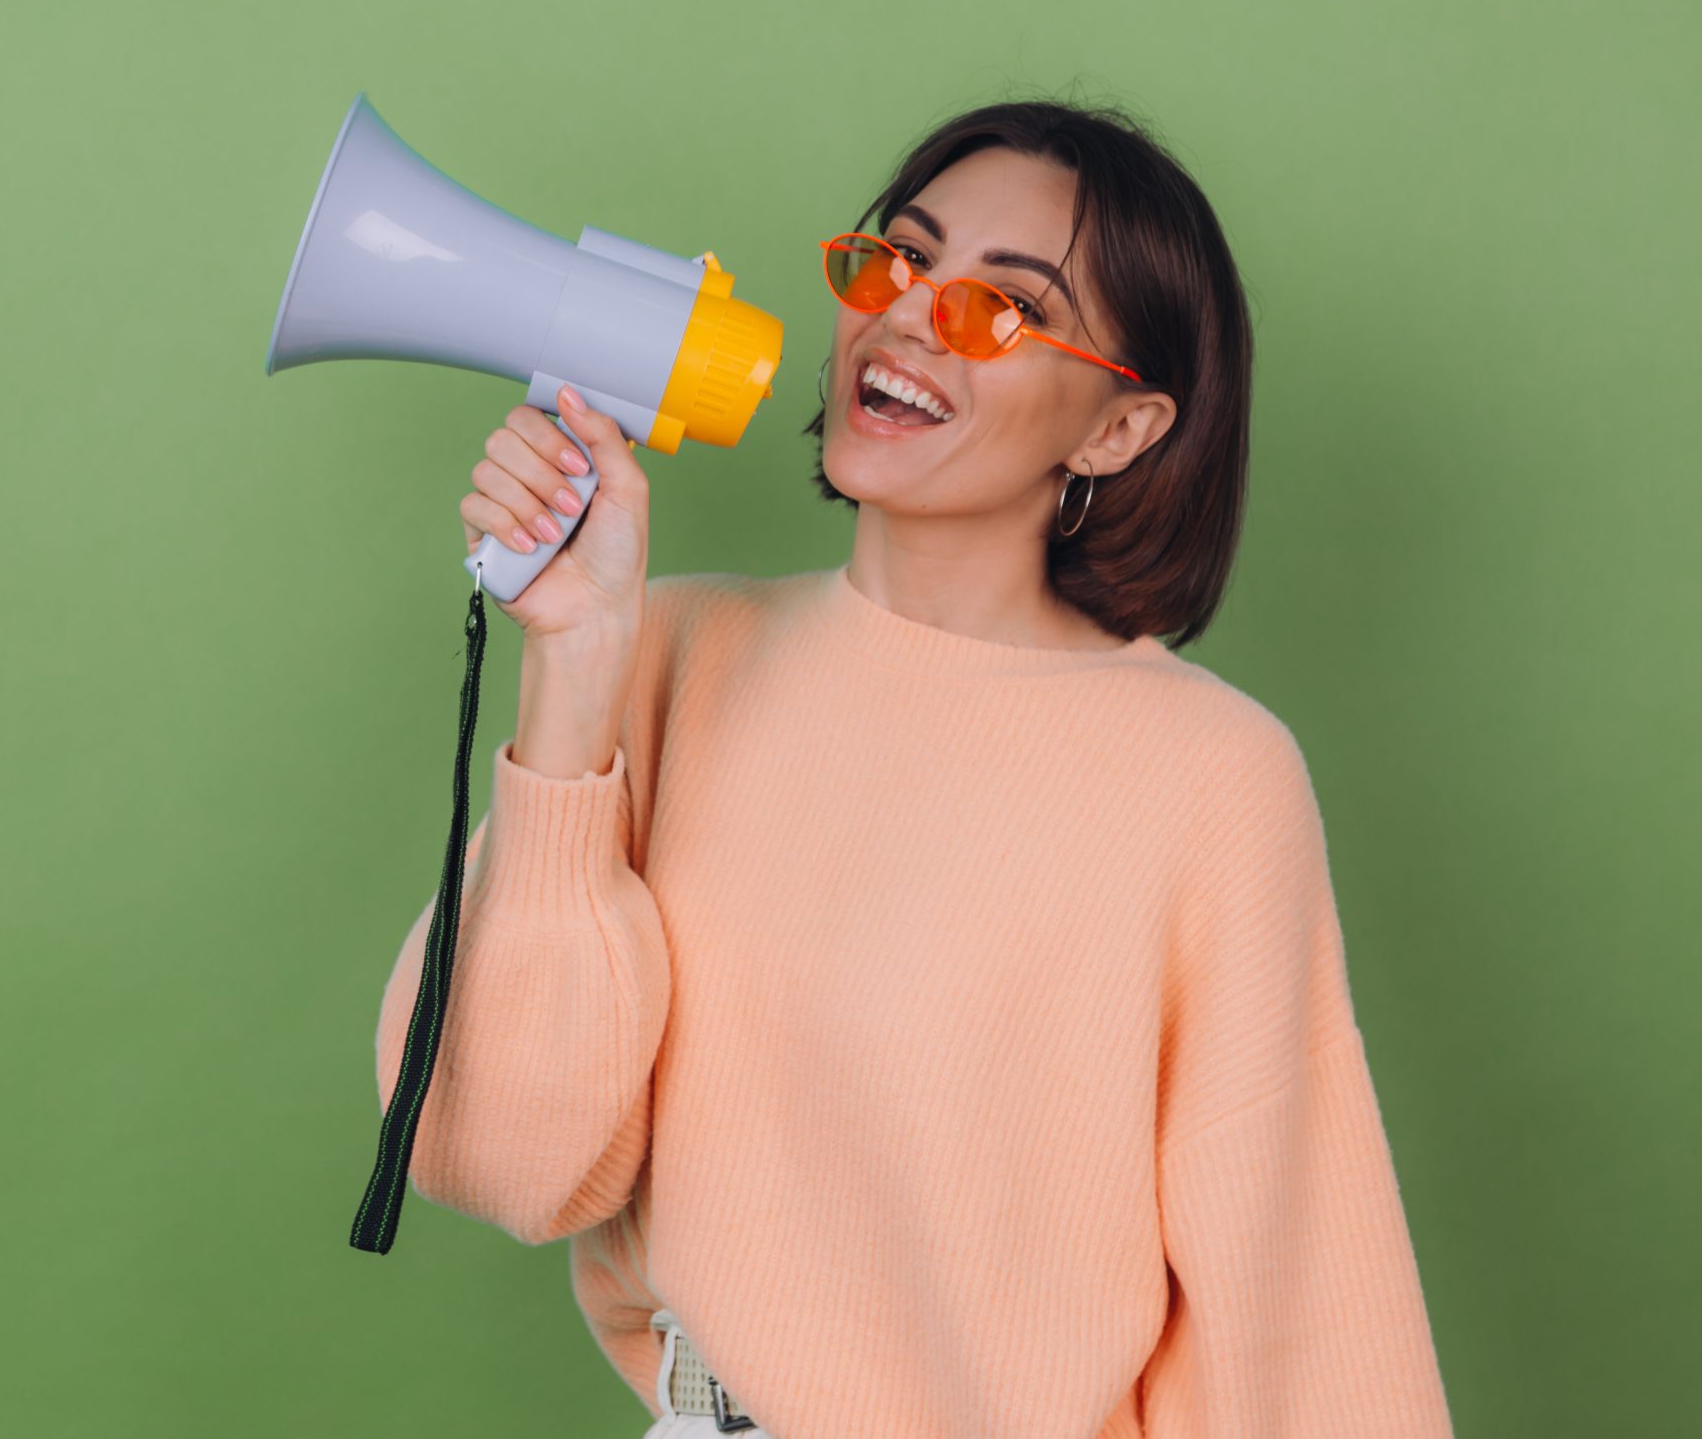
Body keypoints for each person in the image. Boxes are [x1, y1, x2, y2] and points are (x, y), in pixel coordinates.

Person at [371, 96, 1456, 1438]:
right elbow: (502, 1162)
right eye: (897, 261)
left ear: (1118, 431)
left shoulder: (1209, 779)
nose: (906, 317)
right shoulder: (664, 653)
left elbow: (1290, 1294)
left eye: (1000, 310)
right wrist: (577, 667)